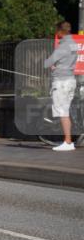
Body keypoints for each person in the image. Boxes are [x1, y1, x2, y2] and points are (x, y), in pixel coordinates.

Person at [44, 20, 79, 151]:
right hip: (70, 80)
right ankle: (68, 140)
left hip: (61, 82)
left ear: (60, 31)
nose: (55, 33)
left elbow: (47, 63)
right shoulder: (73, 44)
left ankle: (68, 142)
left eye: (56, 30)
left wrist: (53, 66)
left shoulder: (63, 46)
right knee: (66, 111)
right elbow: (67, 61)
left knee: (62, 112)